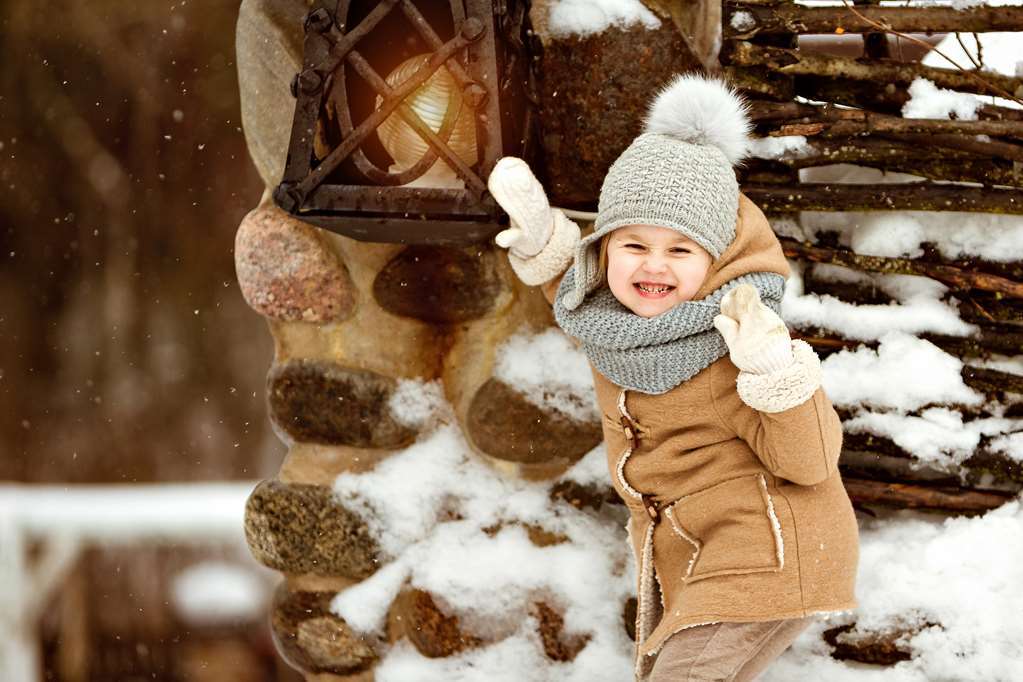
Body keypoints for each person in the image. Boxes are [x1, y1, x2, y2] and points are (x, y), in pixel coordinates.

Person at [488, 73, 860, 682]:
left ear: (717, 264)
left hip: (766, 551)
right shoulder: (619, 320)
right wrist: (545, 240)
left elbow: (812, 461)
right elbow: (577, 296)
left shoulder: (736, 339)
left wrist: (778, 373)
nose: (653, 266)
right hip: (702, 557)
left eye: (681, 251)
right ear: (606, 250)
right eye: (634, 245)